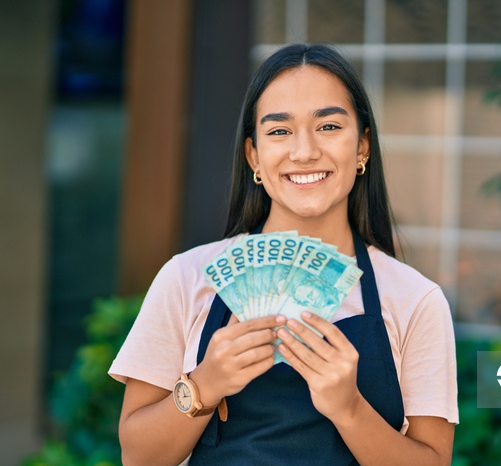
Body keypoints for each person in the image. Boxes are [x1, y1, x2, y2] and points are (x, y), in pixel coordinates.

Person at [109, 43, 458, 466]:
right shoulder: (186, 278)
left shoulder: (415, 301)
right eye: (279, 131)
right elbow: (138, 457)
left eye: (329, 126)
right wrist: (205, 383)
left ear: (363, 146)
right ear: (254, 156)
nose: (304, 151)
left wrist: (349, 409)